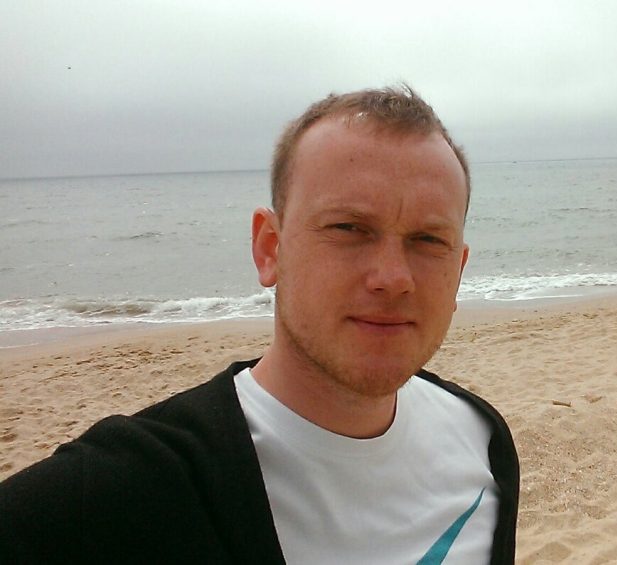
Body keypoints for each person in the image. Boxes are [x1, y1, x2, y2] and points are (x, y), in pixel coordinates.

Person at [0, 85, 519, 564]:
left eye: (429, 240)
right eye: (349, 227)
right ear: (270, 248)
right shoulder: (116, 496)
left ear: (458, 271)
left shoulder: (480, 442)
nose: (393, 278)